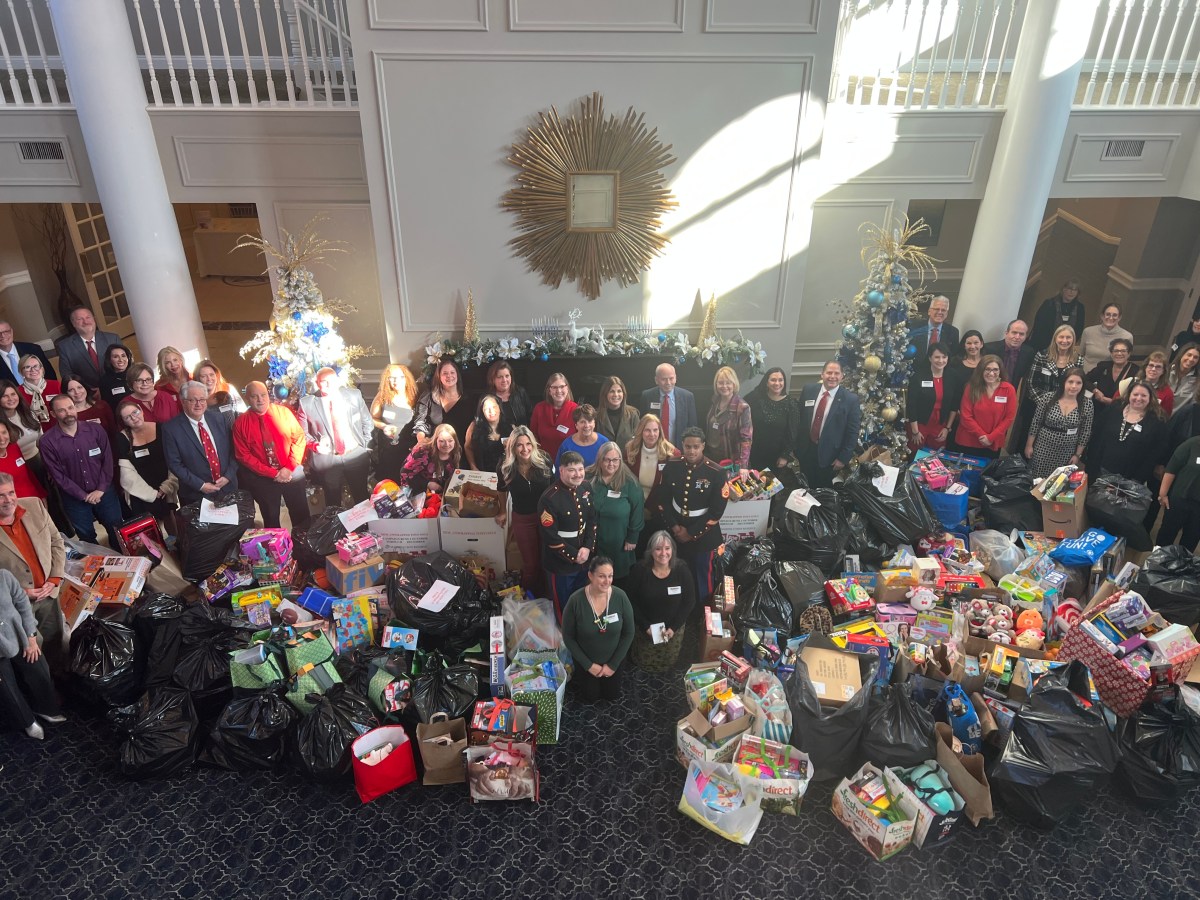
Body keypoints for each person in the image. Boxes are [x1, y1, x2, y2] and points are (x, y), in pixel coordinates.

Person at [0, 474, 66, 676]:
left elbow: (56, 542)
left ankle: (62, 681)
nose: (9, 499)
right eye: (1, 496)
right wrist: (21, 592)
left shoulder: (35, 506)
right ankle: (46, 694)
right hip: (17, 606)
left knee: (56, 641)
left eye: (11, 492)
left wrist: (55, 579)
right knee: (32, 656)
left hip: (49, 595)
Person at [39, 393, 123, 543]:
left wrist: (101, 489)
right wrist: (83, 496)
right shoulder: (47, 441)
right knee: (86, 537)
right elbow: (58, 476)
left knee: (116, 529)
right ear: (53, 414)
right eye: (62, 410)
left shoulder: (95, 430)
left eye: (70, 408)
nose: (68, 413)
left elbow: (108, 461)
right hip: (74, 498)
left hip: (104, 491)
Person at [655, 427, 728, 599]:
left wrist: (691, 533)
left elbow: (717, 511)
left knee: (703, 576)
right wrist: (674, 527)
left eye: (696, 446)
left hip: (704, 532)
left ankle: (703, 614)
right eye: (688, 446)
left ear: (703, 446)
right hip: (675, 527)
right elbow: (663, 500)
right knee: (675, 572)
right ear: (682, 446)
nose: (691, 451)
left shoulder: (716, 472)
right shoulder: (672, 466)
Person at [233, 381, 311, 530]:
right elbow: (244, 456)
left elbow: (299, 439)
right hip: (263, 479)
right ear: (247, 399)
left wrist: (289, 467)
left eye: (263, 395)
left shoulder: (284, 413)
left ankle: (304, 550)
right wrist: (273, 474)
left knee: (301, 516)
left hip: (292, 473)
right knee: (271, 520)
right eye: (254, 396)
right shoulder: (240, 423)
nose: (260, 400)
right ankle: (277, 551)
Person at [0, 567, 66, 740]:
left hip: (20, 636)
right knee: (7, 689)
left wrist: (31, 636)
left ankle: (46, 709)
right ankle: (27, 722)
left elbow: (22, 602)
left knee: (40, 671)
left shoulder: (4, 576)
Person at [560, 556, 635, 703]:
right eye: (601, 576)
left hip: (614, 660)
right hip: (587, 662)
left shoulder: (620, 597)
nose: (607, 581)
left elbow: (629, 632)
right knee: (590, 697)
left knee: (611, 695)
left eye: (610, 576)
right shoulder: (575, 600)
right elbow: (568, 637)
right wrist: (588, 665)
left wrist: (613, 665)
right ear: (590, 576)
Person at [300, 367, 374, 506]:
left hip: (355, 454)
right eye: (324, 382)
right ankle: (336, 527)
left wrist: (365, 445)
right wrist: (315, 445)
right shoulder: (307, 403)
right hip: (328, 460)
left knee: (362, 497)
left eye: (332, 381)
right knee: (332, 501)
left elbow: (367, 421)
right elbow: (301, 433)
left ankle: (366, 527)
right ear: (317, 382)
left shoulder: (354, 395)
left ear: (338, 381)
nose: (329, 385)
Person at [537, 450, 597, 618]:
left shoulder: (585, 487)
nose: (577, 474)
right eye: (572, 470)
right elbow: (550, 536)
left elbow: (592, 520)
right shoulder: (549, 498)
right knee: (563, 606)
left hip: (583, 560)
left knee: (580, 601)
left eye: (580, 469)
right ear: (561, 470)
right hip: (561, 563)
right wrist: (574, 555)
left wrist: (587, 548)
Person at [161, 381, 240, 506]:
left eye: (202, 399)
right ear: (183, 401)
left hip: (228, 487)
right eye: (192, 400)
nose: (198, 404)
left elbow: (235, 451)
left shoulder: (220, 419)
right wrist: (201, 485)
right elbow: (174, 464)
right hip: (196, 494)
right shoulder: (171, 429)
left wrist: (228, 477)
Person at [625, 531, 695, 671]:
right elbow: (629, 601)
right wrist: (645, 626)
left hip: (672, 631)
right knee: (642, 665)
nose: (663, 553)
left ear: (673, 550)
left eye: (667, 548)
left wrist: (673, 628)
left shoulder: (681, 570)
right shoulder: (640, 570)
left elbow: (689, 602)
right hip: (645, 630)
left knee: (668, 664)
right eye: (658, 549)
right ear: (651, 551)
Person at [496, 426, 554, 595]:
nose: (525, 449)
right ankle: (528, 598)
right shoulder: (505, 466)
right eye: (519, 445)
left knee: (547, 562)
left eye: (528, 444)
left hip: (546, 518)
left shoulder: (545, 460)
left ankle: (549, 597)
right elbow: (501, 490)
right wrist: (502, 511)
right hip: (523, 519)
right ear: (512, 447)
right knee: (531, 565)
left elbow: (555, 487)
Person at [1013, 325, 1085, 453]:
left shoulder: (1078, 359)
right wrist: (1046, 403)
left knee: (1048, 444)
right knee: (1027, 442)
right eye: (1061, 336)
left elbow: (1077, 383)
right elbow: (1031, 383)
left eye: (1068, 337)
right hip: (1036, 404)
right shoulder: (1042, 355)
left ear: (1073, 340)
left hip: (1063, 408)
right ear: (1055, 338)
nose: (1065, 340)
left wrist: (1057, 405)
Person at [795, 361, 861, 489]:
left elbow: (853, 432)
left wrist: (843, 458)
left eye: (837, 373)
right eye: (829, 372)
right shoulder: (808, 390)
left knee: (823, 494)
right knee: (804, 489)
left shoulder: (850, 400)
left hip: (830, 457)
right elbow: (799, 418)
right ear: (822, 374)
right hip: (806, 451)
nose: (832, 376)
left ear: (842, 376)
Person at [1087, 381, 1167, 486]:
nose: (1138, 398)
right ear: (1129, 394)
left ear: (1150, 398)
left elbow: (1153, 454)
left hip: (1131, 479)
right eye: (1135, 394)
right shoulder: (1114, 408)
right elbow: (1097, 436)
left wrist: (1137, 479)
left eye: (1143, 395)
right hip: (1100, 471)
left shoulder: (1157, 420)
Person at [114, 399, 179, 525]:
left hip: (165, 486)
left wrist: (167, 487)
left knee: (171, 519)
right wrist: (150, 494)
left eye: (135, 412)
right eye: (128, 417)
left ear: (141, 410)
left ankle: (176, 544)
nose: (134, 418)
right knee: (149, 527)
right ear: (123, 421)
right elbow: (127, 473)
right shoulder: (122, 438)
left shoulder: (161, 428)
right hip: (140, 491)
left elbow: (174, 459)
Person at [588, 441, 643, 582]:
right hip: (593, 543)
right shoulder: (588, 476)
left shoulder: (630, 482)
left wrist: (632, 537)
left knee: (617, 580)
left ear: (620, 460)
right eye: (607, 460)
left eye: (615, 460)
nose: (611, 464)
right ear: (600, 460)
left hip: (619, 543)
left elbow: (637, 512)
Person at [1024, 369, 1093, 479]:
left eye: (1078, 383)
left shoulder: (1087, 404)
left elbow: (1085, 432)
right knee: (1036, 480)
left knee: (1057, 484)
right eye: (1070, 382)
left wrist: (1077, 455)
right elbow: (1036, 422)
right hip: (1043, 447)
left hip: (1067, 452)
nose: (1074, 386)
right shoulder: (1048, 397)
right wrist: (1029, 445)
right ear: (1064, 382)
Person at [952, 355, 1016, 458]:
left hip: (993, 441)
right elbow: (966, 416)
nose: (991, 373)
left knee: (986, 472)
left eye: (995, 369)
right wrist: (982, 436)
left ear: (1000, 371)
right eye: (987, 369)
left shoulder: (1009, 390)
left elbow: (1009, 418)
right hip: (969, 440)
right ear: (981, 370)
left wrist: (991, 437)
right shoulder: (971, 387)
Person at [905, 342, 963, 451]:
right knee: (915, 454)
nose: (941, 361)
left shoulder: (953, 376)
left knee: (936, 456)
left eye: (944, 357)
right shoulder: (918, 376)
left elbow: (954, 405)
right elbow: (911, 405)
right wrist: (915, 431)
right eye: (937, 357)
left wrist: (947, 428)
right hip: (919, 424)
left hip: (940, 424)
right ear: (930, 358)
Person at [54, 306, 120, 392]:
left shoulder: (112, 339)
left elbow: (125, 365)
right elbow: (67, 375)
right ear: (73, 324)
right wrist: (87, 390)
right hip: (85, 393)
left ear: (94, 319)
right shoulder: (65, 346)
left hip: (115, 387)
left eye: (88, 317)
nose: (85, 322)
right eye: (79, 319)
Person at [370, 363, 418, 479]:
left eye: (400, 377)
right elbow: (372, 418)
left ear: (406, 378)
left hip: (408, 449)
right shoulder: (382, 396)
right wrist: (383, 426)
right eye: (392, 378)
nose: (396, 381)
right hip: (388, 449)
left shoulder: (414, 396)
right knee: (390, 481)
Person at [413, 359, 473, 448]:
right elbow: (420, 422)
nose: (449, 376)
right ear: (439, 377)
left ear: (457, 375)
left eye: (452, 372)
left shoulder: (469, 398)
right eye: (445, 373)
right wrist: (422, 442)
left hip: (461, 448)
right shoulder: (428, 395)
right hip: (435, 447)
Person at [744, 367, 795, 472]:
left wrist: (785, 456)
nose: (777, 383)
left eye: (780, 380)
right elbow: (741, 407)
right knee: (756, 485)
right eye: (773, 380)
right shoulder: (755, 398)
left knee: (774, 487)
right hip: (755, 453)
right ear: (766, 382)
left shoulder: (791, 403)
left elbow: (793, 433)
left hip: (777, 457)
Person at [705, 366, 752, 479]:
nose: (724, 386)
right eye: (721, 383)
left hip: (731, 463)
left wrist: (743, 465)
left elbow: (746, 440)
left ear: (734, 384)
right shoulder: (714, 402)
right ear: (716, 385)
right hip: (713, 459)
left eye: (728, 383)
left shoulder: (742, 407)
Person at [1086, 338, 1137, 437]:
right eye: (1116, 350)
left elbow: (1136, 396)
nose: (1119, 353)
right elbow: (1084, 380)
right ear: (1111, 353)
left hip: (1120, 414)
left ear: (1129, 353)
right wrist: (1095, 390)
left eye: (1123, 351)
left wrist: (1113, 401)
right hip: (1097, 412)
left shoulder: (1136, 371)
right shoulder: (1103, 366)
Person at [1157, 434, 1200, 550]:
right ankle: (1156, 564)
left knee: (1191, 540)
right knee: (1166, 534)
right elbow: (1172, 469)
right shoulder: (1192, 444)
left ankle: (1183, 566)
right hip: (1179, 499)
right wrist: (1163, 494)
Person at [640, 363, 698, 448]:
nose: (668, 383)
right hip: (654, 448)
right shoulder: (647, 396)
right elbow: (642, 425)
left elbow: (693, 427)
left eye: (671, 378)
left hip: (679, 449)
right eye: (664, 379)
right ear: (656, 380)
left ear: (676, 378)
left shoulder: (687, 397)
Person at [625, 414, 678, 501]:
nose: (652, 434)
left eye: (655, 430)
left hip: (658, 504)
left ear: (660, 431)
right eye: (647, 430)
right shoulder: (630, 449)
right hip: (634, 501)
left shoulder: (672, 453)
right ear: (641, 431)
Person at [400, 423, 461, 494]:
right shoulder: (422, 452)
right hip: (418, 491)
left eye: (450, 440)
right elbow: (405, 473)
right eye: (442, 441)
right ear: (435, 440)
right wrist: (427, 484)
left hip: (441, 491)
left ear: (455, 441)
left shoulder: (456, 451)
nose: (446, 444)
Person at [530, 372, 578, 461]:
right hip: (543, 461)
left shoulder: (576, 410)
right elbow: (533, 436)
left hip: (569, 463)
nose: (558, 391)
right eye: (554, 387)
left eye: (562, 387)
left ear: (567, 388)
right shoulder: (539, 409)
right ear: (549, 390)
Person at [1029, 278, 1086, 351]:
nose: (1072, 292)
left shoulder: (1080, 308)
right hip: (1043, 345)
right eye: (1069, 288)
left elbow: (1079, 329)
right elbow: (1039, 325)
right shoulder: (1049, 304)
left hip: (1065, 347)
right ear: (1063, 289)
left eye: (1075, 290)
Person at [982, 319, 1036, 388]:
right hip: (989, 389)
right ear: (1006, 333)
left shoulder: (1029, 352)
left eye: (1021, 334)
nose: (1017, 337)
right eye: (1014, 332)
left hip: (1012, 392)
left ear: (1025, 336)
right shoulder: (989, 349)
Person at [1080, 303, 1133, 371]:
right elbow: (1081, 355)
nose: (1111, 318)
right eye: (1108, 314)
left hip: (1109, 377)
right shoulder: (1088, 332)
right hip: (1086, 376)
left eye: (1114, 315)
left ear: (1119, 318)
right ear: (1102, 316)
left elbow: (1124, 362)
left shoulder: (1127, 337)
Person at [0, 420, 45, 500]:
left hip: (34, 498)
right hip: (14, 507)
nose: (1, 438)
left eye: (4, 432)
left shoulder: (13, 447)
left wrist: (42, 495)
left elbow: (28, 474)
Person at [0, 320, 55, 385]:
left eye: (6, 331)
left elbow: (50, 376)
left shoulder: (33, 349)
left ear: (11, 331)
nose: (3, 336)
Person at [194, 358, 246, 426]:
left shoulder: (229, 388)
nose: (209, 379)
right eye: (204, 376)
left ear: (216, 375)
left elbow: (243, 413)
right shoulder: (196, 399)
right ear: (198, 379)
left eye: (211, 375)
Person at [17, 354, 61, 431]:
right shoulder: (18, 392)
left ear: (42, 369)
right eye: (27, 367)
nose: (33, 370)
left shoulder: (56, 385)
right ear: (21, 372)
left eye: (36, 366)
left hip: (60, 428)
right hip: (36, 433)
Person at [464, 394, 506, 473]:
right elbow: (468, 447)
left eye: (494, 407)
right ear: (482, 411)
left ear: (499, 407)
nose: (491, 411)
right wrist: (473, 466)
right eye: (487, 409)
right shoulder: (474, 427)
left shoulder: (511, 427)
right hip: (483, 474)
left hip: (506, 474)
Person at [487, 360, 532, 434]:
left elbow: (530, 416)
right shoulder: (487, 398)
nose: (504, 380)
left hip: (520, 439)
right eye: (500, 377)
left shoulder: (520, 392)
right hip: (496, 442)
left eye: (507, 376)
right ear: (492, 379)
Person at [595, 375, 640, 449]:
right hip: (604, 459)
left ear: (623, 393)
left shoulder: (633, 414)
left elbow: (638, 440)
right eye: (612, 391)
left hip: (627, 459)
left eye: (619, 391)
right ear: (605, 394)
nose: (616, 395)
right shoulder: (596, 415)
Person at [1126, 350, 1175, 417]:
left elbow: (1165, 417)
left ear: (1163, 371)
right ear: (1145, 367)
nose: (1153, 369)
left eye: (1158, 367)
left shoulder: (1167, 393)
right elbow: (1116, 404)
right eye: (1151, 365)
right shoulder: (1130, 382)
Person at [555, 404, 604, 470]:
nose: (587, 425)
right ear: (576, 425)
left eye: (590, 421)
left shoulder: (604, 443)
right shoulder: (566, 446)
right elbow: (559, 471)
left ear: (594, 423)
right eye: (582, 422)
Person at [99, 343, 135, 411]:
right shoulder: (104, 381)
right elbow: (108, 407)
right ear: (109, 360)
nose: (121, 360)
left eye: (123, 356)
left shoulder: (137, 374)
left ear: (128, 358)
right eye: (116, 357)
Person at [1167, 344, 1200, 417]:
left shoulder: (1197, 381)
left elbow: (1193, 405)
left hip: (1177, 421)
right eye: (1189, 355)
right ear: (1182, 355)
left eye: (1195, 357)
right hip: (1156, 417)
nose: (1191, 359)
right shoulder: (1166, 372)